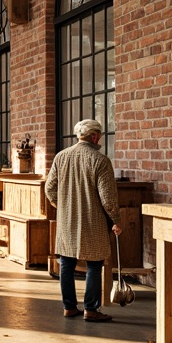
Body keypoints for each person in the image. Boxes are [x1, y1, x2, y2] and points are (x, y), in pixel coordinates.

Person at [44, 119, 122, 322]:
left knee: (66, 264)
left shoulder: (61, 157)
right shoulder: (100, 160)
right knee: (94, 265)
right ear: (95, 136)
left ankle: (69, 307)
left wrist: (61, 207)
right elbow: (108, 198)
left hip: (67, 221)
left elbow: (49, 188)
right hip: (93, 221)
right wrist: (115, 219)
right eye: (100, 137)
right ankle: (91, 309)